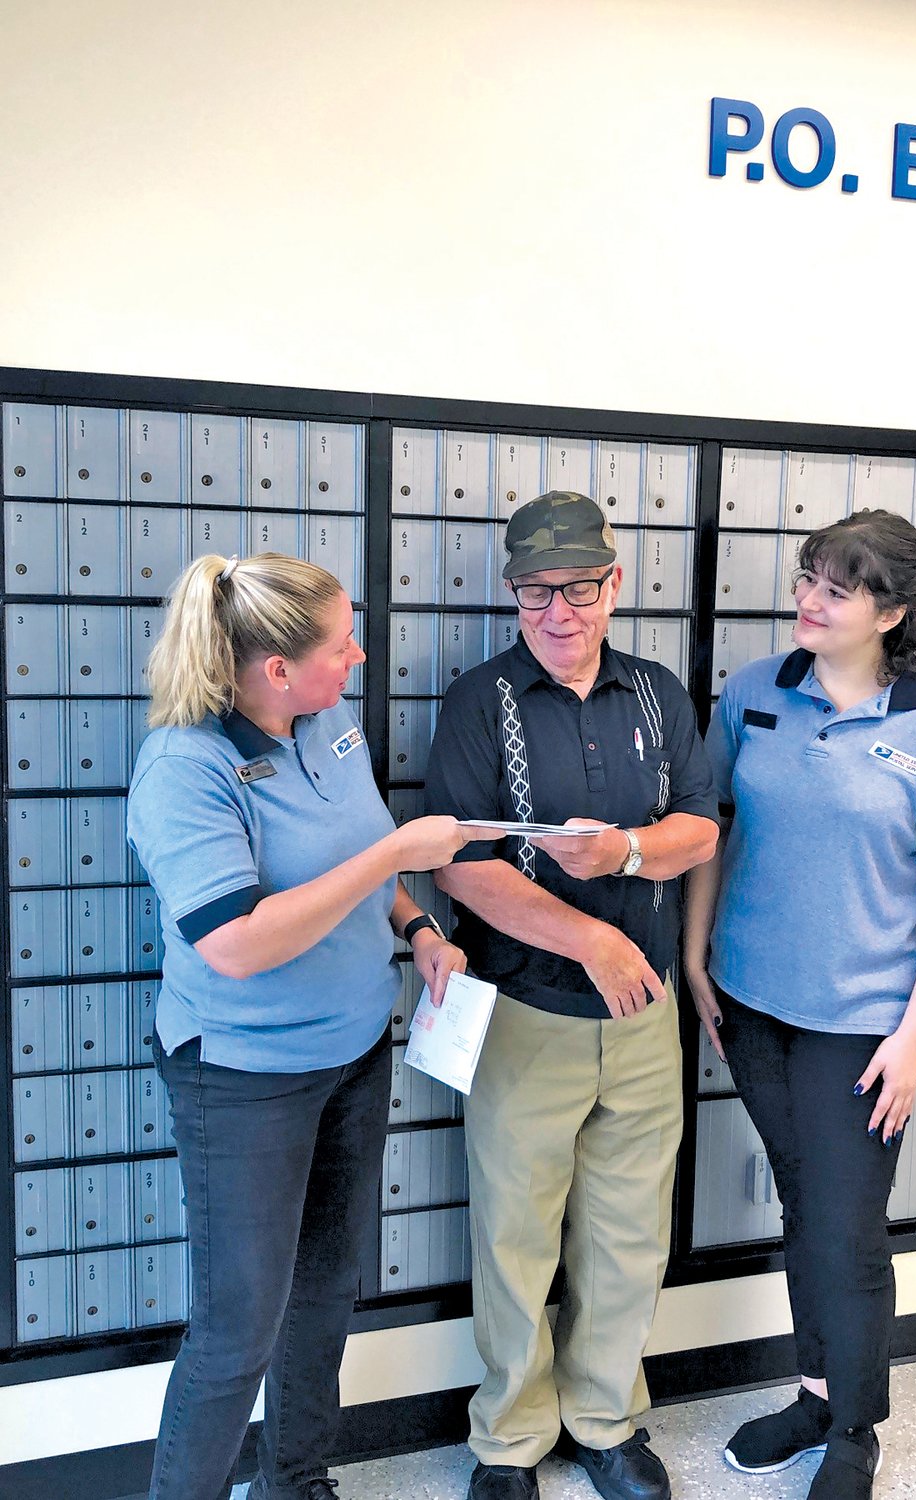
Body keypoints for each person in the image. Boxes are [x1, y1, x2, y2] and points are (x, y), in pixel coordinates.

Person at [127, 552, 492, 1500]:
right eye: (341, 644)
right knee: (238, 1325)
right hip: (243, 1077)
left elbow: (359, 860)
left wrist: (415, 925)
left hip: (355, 1052)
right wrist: (396, 860)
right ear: (276, 668)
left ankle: (295, 1481)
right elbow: (238, 945)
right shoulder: (185, 767)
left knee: (325, 1292)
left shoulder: (326, 724)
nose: (361, 656)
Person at [683, 509, 916, 1500]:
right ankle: (817, 1393)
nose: (807, 600)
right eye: (808, 577)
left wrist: (911, 1038)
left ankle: (856, 1427)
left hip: (863, 1025)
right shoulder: (754, 693)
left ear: (891, 612)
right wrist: (694, 956)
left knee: (846, 1225)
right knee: (805, 1205)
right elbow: (710, 824)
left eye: (837, 588)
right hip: (751, 1005)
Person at [424, 492, 719, 1500]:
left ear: (613, 586)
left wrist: (631, 851)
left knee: (629, 1235)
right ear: (513, 596)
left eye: (579, 589)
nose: (559, 611)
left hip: (644, 1029)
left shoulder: (657, 695)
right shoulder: (479, 703)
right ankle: (508, 1440)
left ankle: (603, 1422)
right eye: (537, 592)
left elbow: (701, 827)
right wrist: (589, 935)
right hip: (525, 1018)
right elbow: (460, 864)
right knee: (514, 1238)